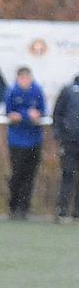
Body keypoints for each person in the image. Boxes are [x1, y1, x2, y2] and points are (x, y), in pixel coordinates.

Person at [4, 66, 46, 220]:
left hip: (34, 140)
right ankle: (13, 206)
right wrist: (25, 115)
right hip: (17, 141)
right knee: (17, 174)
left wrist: (33, 115)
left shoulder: (37, 91)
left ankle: (24, 208)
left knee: (30, 175)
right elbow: (9, 112)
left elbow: (42, 111)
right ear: (17, 78)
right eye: (21, 78)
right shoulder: (12, 91)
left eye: (27, 78)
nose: (25, 81)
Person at [52, 74, 79, 223]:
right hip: (70, 142)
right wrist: (59, 135)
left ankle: (77, 213)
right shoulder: (68, 90)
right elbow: (58, 113)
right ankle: (62, 210)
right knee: (68, 175)